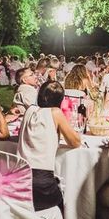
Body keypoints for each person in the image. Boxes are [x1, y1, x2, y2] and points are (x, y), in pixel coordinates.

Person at [18, 81, 81, 211]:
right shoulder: (56, 113)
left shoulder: (29, 111)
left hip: (20, 180)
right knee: (68, 195)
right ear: (60, 99)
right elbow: (75, 142)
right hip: (42, 186)